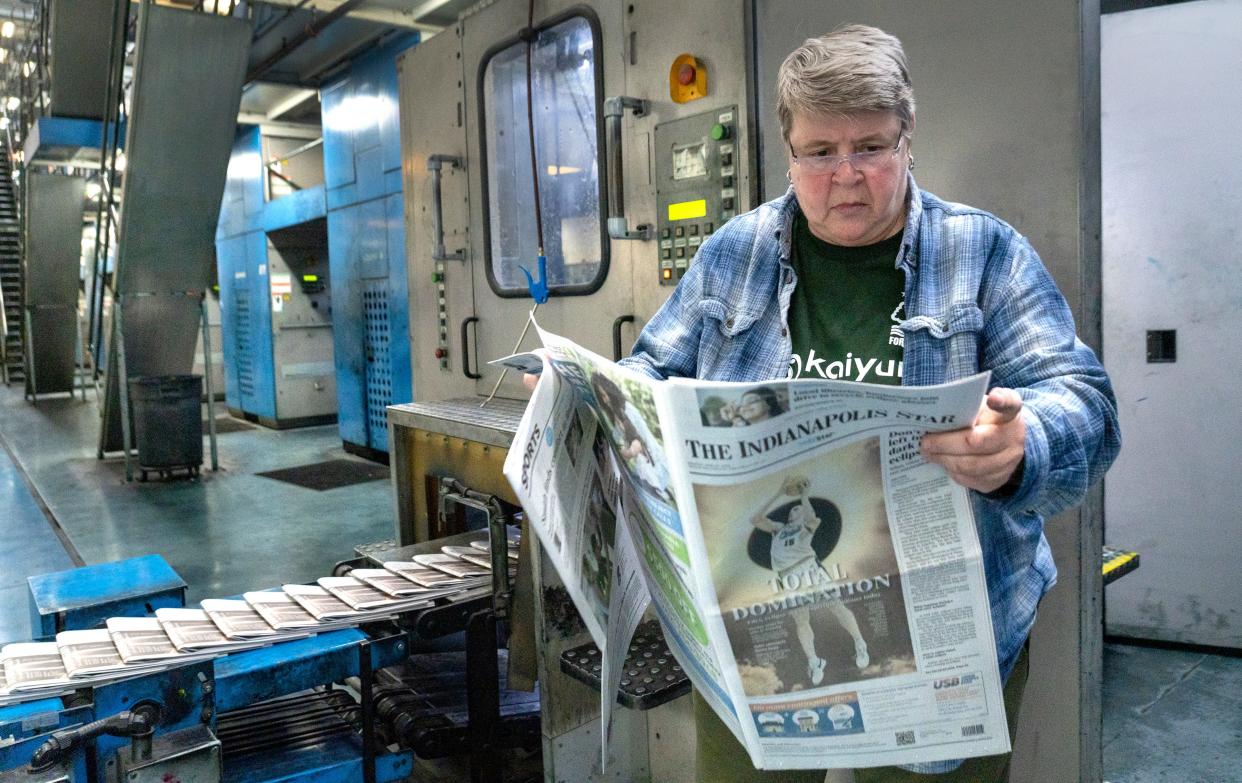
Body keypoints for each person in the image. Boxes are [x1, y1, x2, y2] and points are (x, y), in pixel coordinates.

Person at [615, 24, 1121, 783]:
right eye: (820, 152)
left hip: (944, 633)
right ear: (789, 152)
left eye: (872, 147)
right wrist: (595, 400)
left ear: (908, 138)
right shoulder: (734, 253)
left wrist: (1023, 446)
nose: (846, 175)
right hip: (755, 636)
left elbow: (1087, 404)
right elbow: (651, 371)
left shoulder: (982, 253)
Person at [749, 474, 869, 687]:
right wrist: (779, 492)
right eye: (793, 509)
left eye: (799, 509)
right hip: (788, 577)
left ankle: (860, 642)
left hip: (809, 568)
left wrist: (805, 495)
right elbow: (755, 520)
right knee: (801, 620)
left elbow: (812, 518)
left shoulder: (808, 524)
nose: (795, 510)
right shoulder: (778, 529)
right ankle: (814, 661)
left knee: (836, 607)